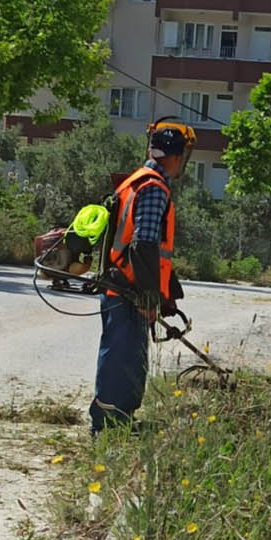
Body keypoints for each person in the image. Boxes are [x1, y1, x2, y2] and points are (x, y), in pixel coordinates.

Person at [90, 117, 196, 434]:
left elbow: (148, 249)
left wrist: (165, 294)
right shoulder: (154, 189)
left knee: (127, 359)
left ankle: (118, 420)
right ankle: (108, 425)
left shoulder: (136, 180)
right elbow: (143, 245)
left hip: (123, 285)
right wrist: (150, 295)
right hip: (130, 291)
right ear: (177, 157)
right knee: (121, 360)